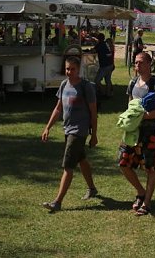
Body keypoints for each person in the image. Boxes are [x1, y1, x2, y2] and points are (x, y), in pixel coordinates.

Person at [40, 56, 99, 213]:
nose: (69, 72)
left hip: (79, 131)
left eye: (72, 69)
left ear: (78, 69)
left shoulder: (86, 87)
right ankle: (92, 189)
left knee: (68, 166)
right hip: (67, 129)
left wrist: (94, 135)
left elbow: (94, 112)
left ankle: (57, 202)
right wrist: (48, 127)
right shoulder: (64, 84)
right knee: (81, 159)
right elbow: (58, 108)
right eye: (67, 69)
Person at [118, 51, 155, 216]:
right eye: (135, 62)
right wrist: (129, 120)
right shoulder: (132, 82)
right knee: (123, 163)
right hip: (132, 132)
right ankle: (140, 191)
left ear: (148, 64)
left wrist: (143, 116)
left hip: (150, 132)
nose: (137, 65)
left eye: (140, 62)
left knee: (150, 167)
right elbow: (129, 106)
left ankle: (146, 203)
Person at [93, 33, 114, 98]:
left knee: (96, 80)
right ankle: (108, 94)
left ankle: (102, 92)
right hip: (110, 64)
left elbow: (93, 50)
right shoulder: (105, 44)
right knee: (108, 80)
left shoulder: (100, 44)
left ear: (98, 38)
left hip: (105, 65)